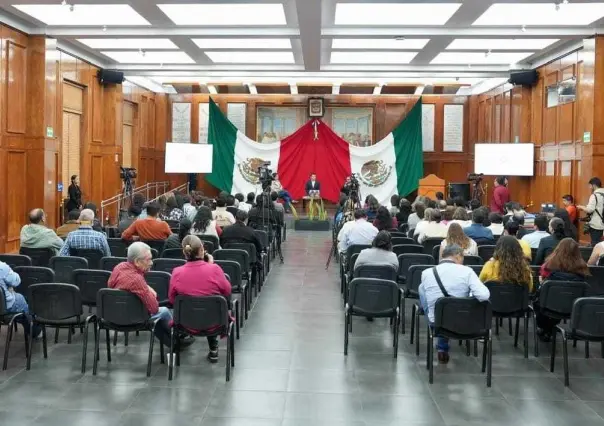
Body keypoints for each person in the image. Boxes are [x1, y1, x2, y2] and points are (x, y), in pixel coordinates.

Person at [108, 242, 188, 351]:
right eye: (149, 259)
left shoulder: (119, 267)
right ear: (137, 261)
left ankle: (174, 343)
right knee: (163, 311)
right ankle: (177, 337)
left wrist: (146, 287)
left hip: (114, 315)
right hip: (132, 318)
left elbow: (110, 285)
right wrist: (149, 292)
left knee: (158, 318)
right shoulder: (137, 280)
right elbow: (154, 309)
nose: (151, 263)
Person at [419, 244, 490, 363]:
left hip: (436, 321)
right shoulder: (467, 271)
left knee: (422, 288)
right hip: (462, 319)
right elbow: (484, 296)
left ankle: (441, 344)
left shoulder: (426, 272)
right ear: (457, 256)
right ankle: (443, 346)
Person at [169, 235, 231, 362]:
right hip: (214, 322)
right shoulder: (214, 269)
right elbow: (227, 290)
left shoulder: (176, 272)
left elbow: (172, 299)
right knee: (212, 304)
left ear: (184, 252)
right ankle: (213, 348)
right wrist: (211, 266)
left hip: (185, 322)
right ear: (202, 250)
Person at [537, 238, 589, 341]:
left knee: (542, 300)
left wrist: (541, 282)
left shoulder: (548, 265)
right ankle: (549, 328)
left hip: (548, 305)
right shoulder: (583, 269)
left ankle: (546, 328)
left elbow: (544, 286)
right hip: (574, 308)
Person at [578, 177, 604, 246]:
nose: (589, 187)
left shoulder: (594, 195)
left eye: (590, 185)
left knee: (595, 243)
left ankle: (596, 256)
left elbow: (590, 209)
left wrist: (582, 207)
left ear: (594, 185)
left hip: (597, 224)